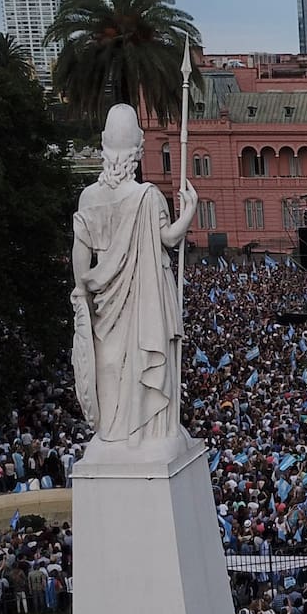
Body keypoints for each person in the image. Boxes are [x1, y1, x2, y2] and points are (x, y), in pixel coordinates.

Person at [69, 103, 197, 447]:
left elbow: (81, 259)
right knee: (143, 358)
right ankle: (145, 431)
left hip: (104, 301)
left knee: (111, 364)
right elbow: (170, 239)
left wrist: (85, 290)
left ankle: (114, 432)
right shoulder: (147, 197)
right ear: (139, 151)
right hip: (143, 296)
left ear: (103, 145)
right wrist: (190, 211)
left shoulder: (88, 198)